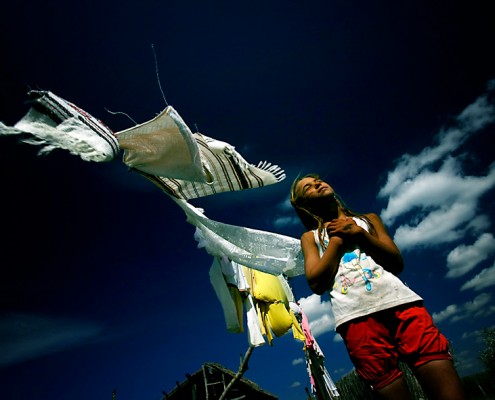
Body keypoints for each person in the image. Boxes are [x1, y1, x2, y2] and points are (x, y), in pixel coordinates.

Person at [290, 173, 466, 400]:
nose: (317, 184)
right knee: (386, 383)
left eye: (318, 181)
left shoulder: (368, 220)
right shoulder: (311, 237)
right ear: (304, 204)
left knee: (444, 382)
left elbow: (396, 262)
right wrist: (336, 240)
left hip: (402, 305)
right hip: (356, 318)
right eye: (308, 188)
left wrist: (359, 234)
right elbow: (315, 281)